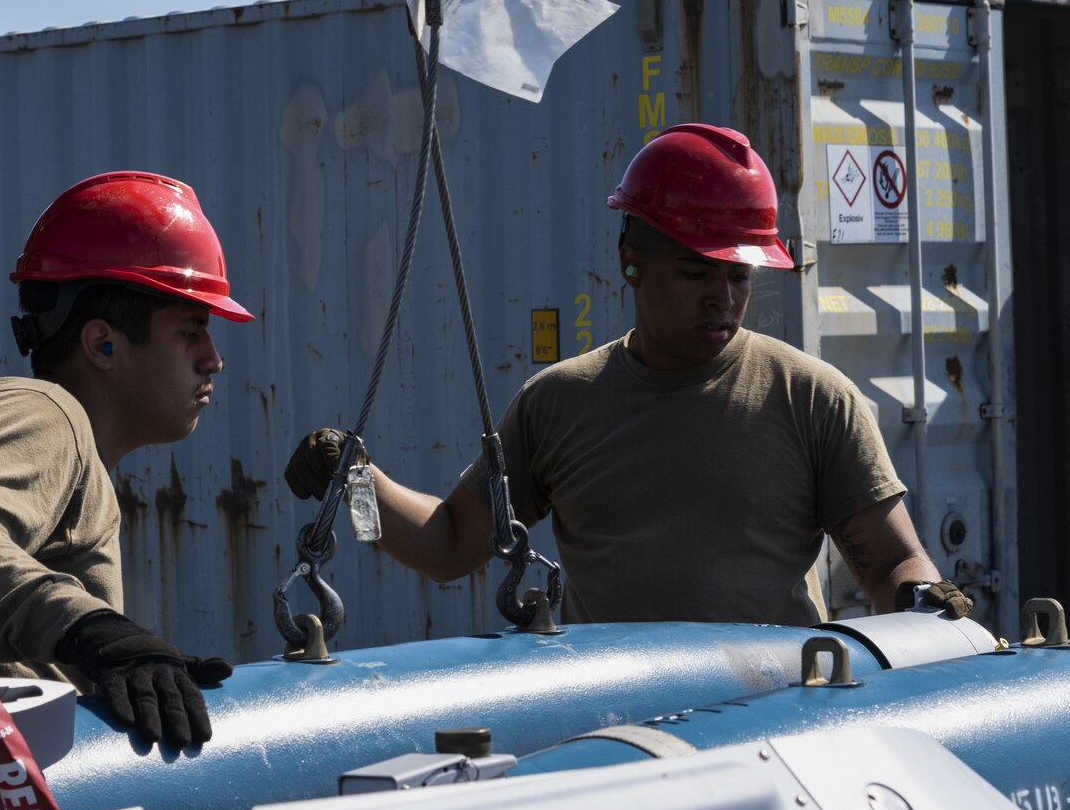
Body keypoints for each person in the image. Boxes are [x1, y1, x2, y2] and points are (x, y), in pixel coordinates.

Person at [285, 123, 969, 626]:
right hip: (623, 743)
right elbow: (446, 546)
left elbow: (889, 565)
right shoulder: (559, 405)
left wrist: (922, 599)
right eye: (697, 272)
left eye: (739, 276)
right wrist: (356, 485)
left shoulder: (813, 400)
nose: (723, 297)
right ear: (630, 262)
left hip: (777, 742)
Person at [0, 171, 251, 747]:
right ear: (102, 344)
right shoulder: (42, 409)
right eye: (191, 331)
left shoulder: (71, 444)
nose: (213, 359)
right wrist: (92, 630)